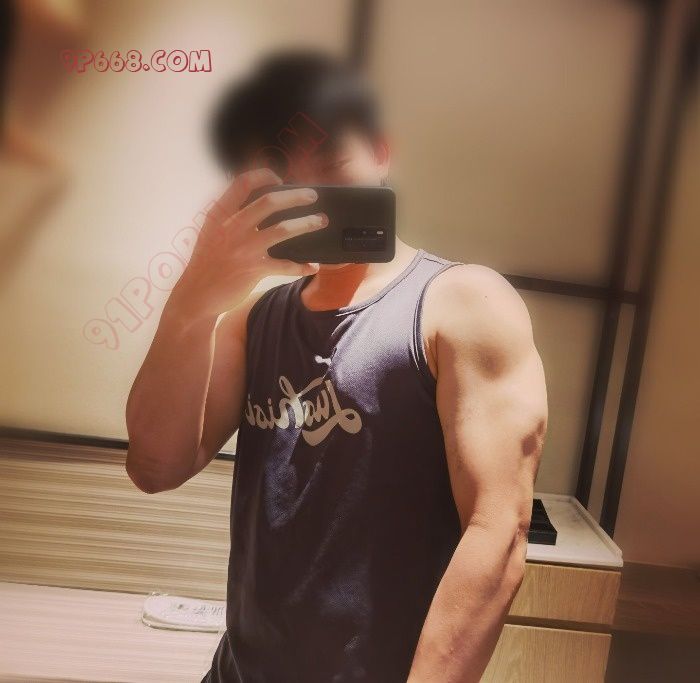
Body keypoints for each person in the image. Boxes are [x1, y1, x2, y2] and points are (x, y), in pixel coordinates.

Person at [125, 50, 548, 683]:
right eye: (281, 181)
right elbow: (155, 468)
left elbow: (498, 531)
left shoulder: (464, 306)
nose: (312, 202)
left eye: (330, 167)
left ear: (381, 152)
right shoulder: (252, 320)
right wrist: (192, 301)